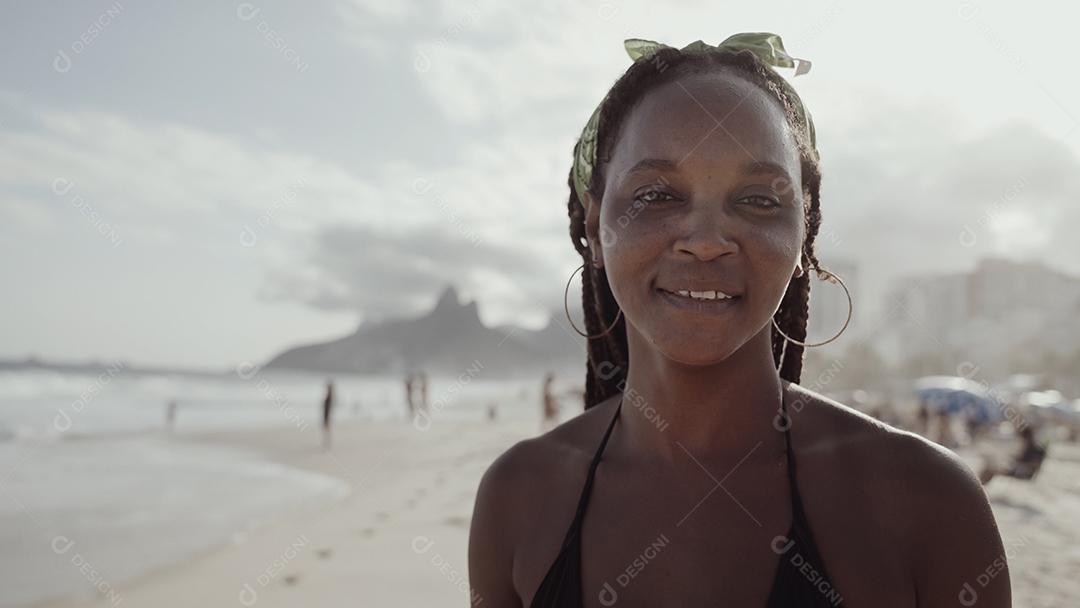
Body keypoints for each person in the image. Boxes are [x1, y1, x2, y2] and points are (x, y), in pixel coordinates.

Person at [469, 34, 1009, 607]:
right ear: (597, 223)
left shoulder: (929, 504)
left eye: (757, 199)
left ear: (805, 232)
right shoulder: (518, 499)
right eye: (656, 194)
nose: (705, 242)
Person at [979, 425, 1047, 484]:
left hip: (1025, 473)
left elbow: (1033, 466)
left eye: (1023, 437)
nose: (1022, 440)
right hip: (1019, 469)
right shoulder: (1029, 447)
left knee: (991, 470)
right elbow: (1018, 459)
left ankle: (978, 487)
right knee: (991, 466)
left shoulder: (1036, 449)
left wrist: (1018, 465)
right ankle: (979, 486)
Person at [322, 379, 335, 449]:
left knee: (327, 427)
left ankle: (327, 441)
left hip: (327, 413)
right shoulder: (330, 395)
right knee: (326, 427)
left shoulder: (330, 396)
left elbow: (329, 406)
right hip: (326, 413)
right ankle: (327, 441)